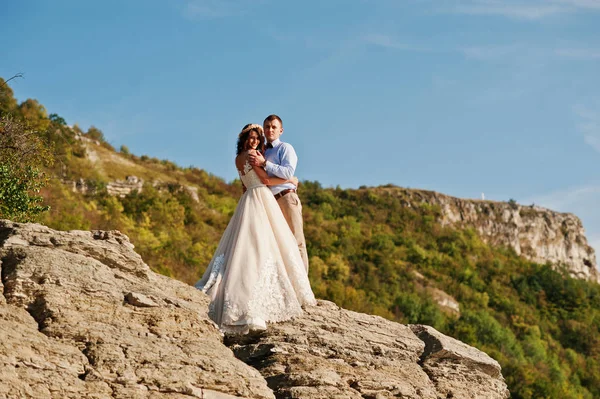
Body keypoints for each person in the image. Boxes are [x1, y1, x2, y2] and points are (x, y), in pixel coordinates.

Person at [195, 124, 316, 334]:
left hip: (248, 198)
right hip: (260, 198)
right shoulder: (252, 155)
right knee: (265, 244)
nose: (254, 141)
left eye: (256, 138)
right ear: (244, 140)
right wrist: (291, 179)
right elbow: (266, 179)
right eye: (251, 138)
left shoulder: (238, 158)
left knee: (247, 244)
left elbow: (244, 185)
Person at [249, 115, 309, 272]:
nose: (270, 130)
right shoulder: (262, 151)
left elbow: (288, 171)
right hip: (270, 202)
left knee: (297, 241)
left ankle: (304, 285)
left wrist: (265, 164)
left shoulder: (285, 148)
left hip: (286, 197)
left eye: (273, 127)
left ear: (280, 130)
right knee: (279, 243)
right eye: (267, 127)